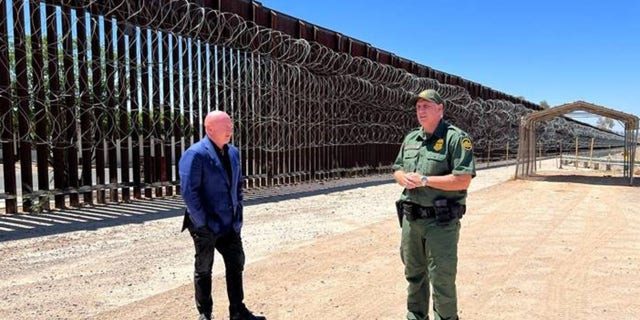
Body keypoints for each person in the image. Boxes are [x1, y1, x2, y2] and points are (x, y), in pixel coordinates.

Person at [392, 89, 476, 320]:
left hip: (441, 222)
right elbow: (397, 168)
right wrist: (402, 178)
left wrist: (425, 180)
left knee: (442, 279)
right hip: (411, 220)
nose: (421, 110)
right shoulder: (411, 139)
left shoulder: (456, 139)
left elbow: (463, 179)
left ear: (440, 109)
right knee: (414, 276)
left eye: (426, 106)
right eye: (418, 106)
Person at [179, 110, 266, 320]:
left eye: (231, 126)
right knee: (204, 268)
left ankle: (237, 310)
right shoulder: (196, 154)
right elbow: (189, 192)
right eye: (225, 126)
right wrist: (202, 223)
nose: (230, 129)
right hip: (205, 225)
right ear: (209, 129)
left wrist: (238, 217)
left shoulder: (234, 152)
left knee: (236, 263)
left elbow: (238, 187)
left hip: (229, 223)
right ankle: (205, 314)